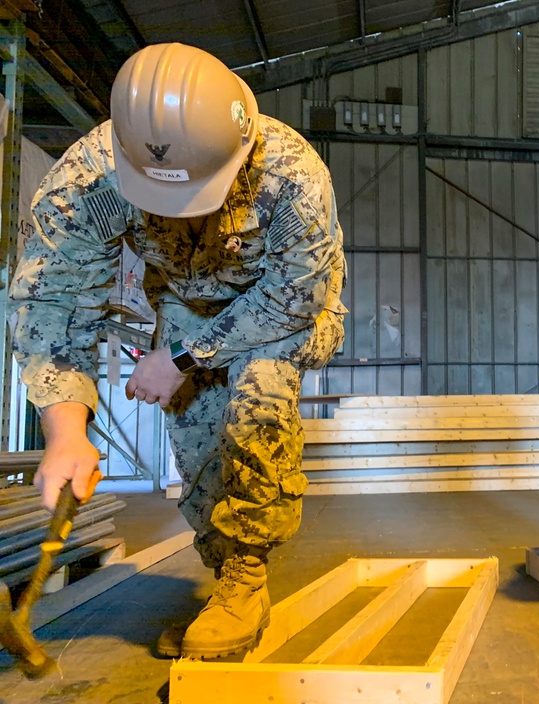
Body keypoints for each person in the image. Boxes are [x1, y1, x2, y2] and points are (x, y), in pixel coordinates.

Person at [9, 42, 348, 659]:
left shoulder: (294, 174)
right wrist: (64, 428)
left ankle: (246, 574)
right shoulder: (90, 176)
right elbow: (50, 302)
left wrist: (185, 357)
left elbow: (295, 296)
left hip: (285, 308)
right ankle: (226, 576)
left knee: (258, 397)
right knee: (196, 445)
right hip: (185, 305)